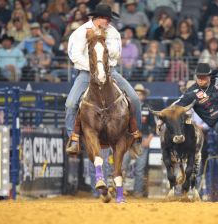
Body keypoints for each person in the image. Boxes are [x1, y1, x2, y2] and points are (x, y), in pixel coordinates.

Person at [65, 4, 142, 155]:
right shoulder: (80, 32)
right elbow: (74, 55)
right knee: (71, 103)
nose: (108, 22)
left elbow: (116, 54)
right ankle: (73, 139)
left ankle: (135, 137)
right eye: (106, 19)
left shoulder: (113, 33)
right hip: (87, 73)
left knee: (134, 98)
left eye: (109, 19)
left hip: (110, 72)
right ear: (97, 18)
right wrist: (94, 68)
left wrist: (101, 41)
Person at [132, 84, 155, 197]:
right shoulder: (127, 106)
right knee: (122, 165)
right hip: (128, 139)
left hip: (143, 138)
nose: (138, 95)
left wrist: (149, 139)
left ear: (143, 95)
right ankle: (118, 190)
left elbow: (153, 126)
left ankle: (138, 191)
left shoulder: (147, 108)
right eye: (136, 93)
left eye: (140, 93)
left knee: (140, 168)